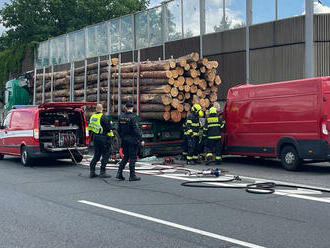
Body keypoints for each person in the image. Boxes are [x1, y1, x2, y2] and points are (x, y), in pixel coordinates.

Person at [116, 102, 144, 181]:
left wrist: (123, 137)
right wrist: (141, 139)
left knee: (125, 157)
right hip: (132, 140)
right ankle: (132, 175)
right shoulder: (133, 117)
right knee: (132, 158)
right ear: (132, 108)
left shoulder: (121, 117)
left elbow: (118, 130)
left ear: (125, 107)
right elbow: (136, 130)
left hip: (124, 140)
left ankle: (119, 173)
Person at [88, 104, 114, 178]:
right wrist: (111, 125)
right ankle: (102, 172)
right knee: (106, 154)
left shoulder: (92, 117)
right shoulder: (103, 117)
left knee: (96, 155)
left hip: (95, 137)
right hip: (103, 138)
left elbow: (91, 127)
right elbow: (109, 128)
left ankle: (92, 172)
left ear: (96, 109)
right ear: (102, 109)